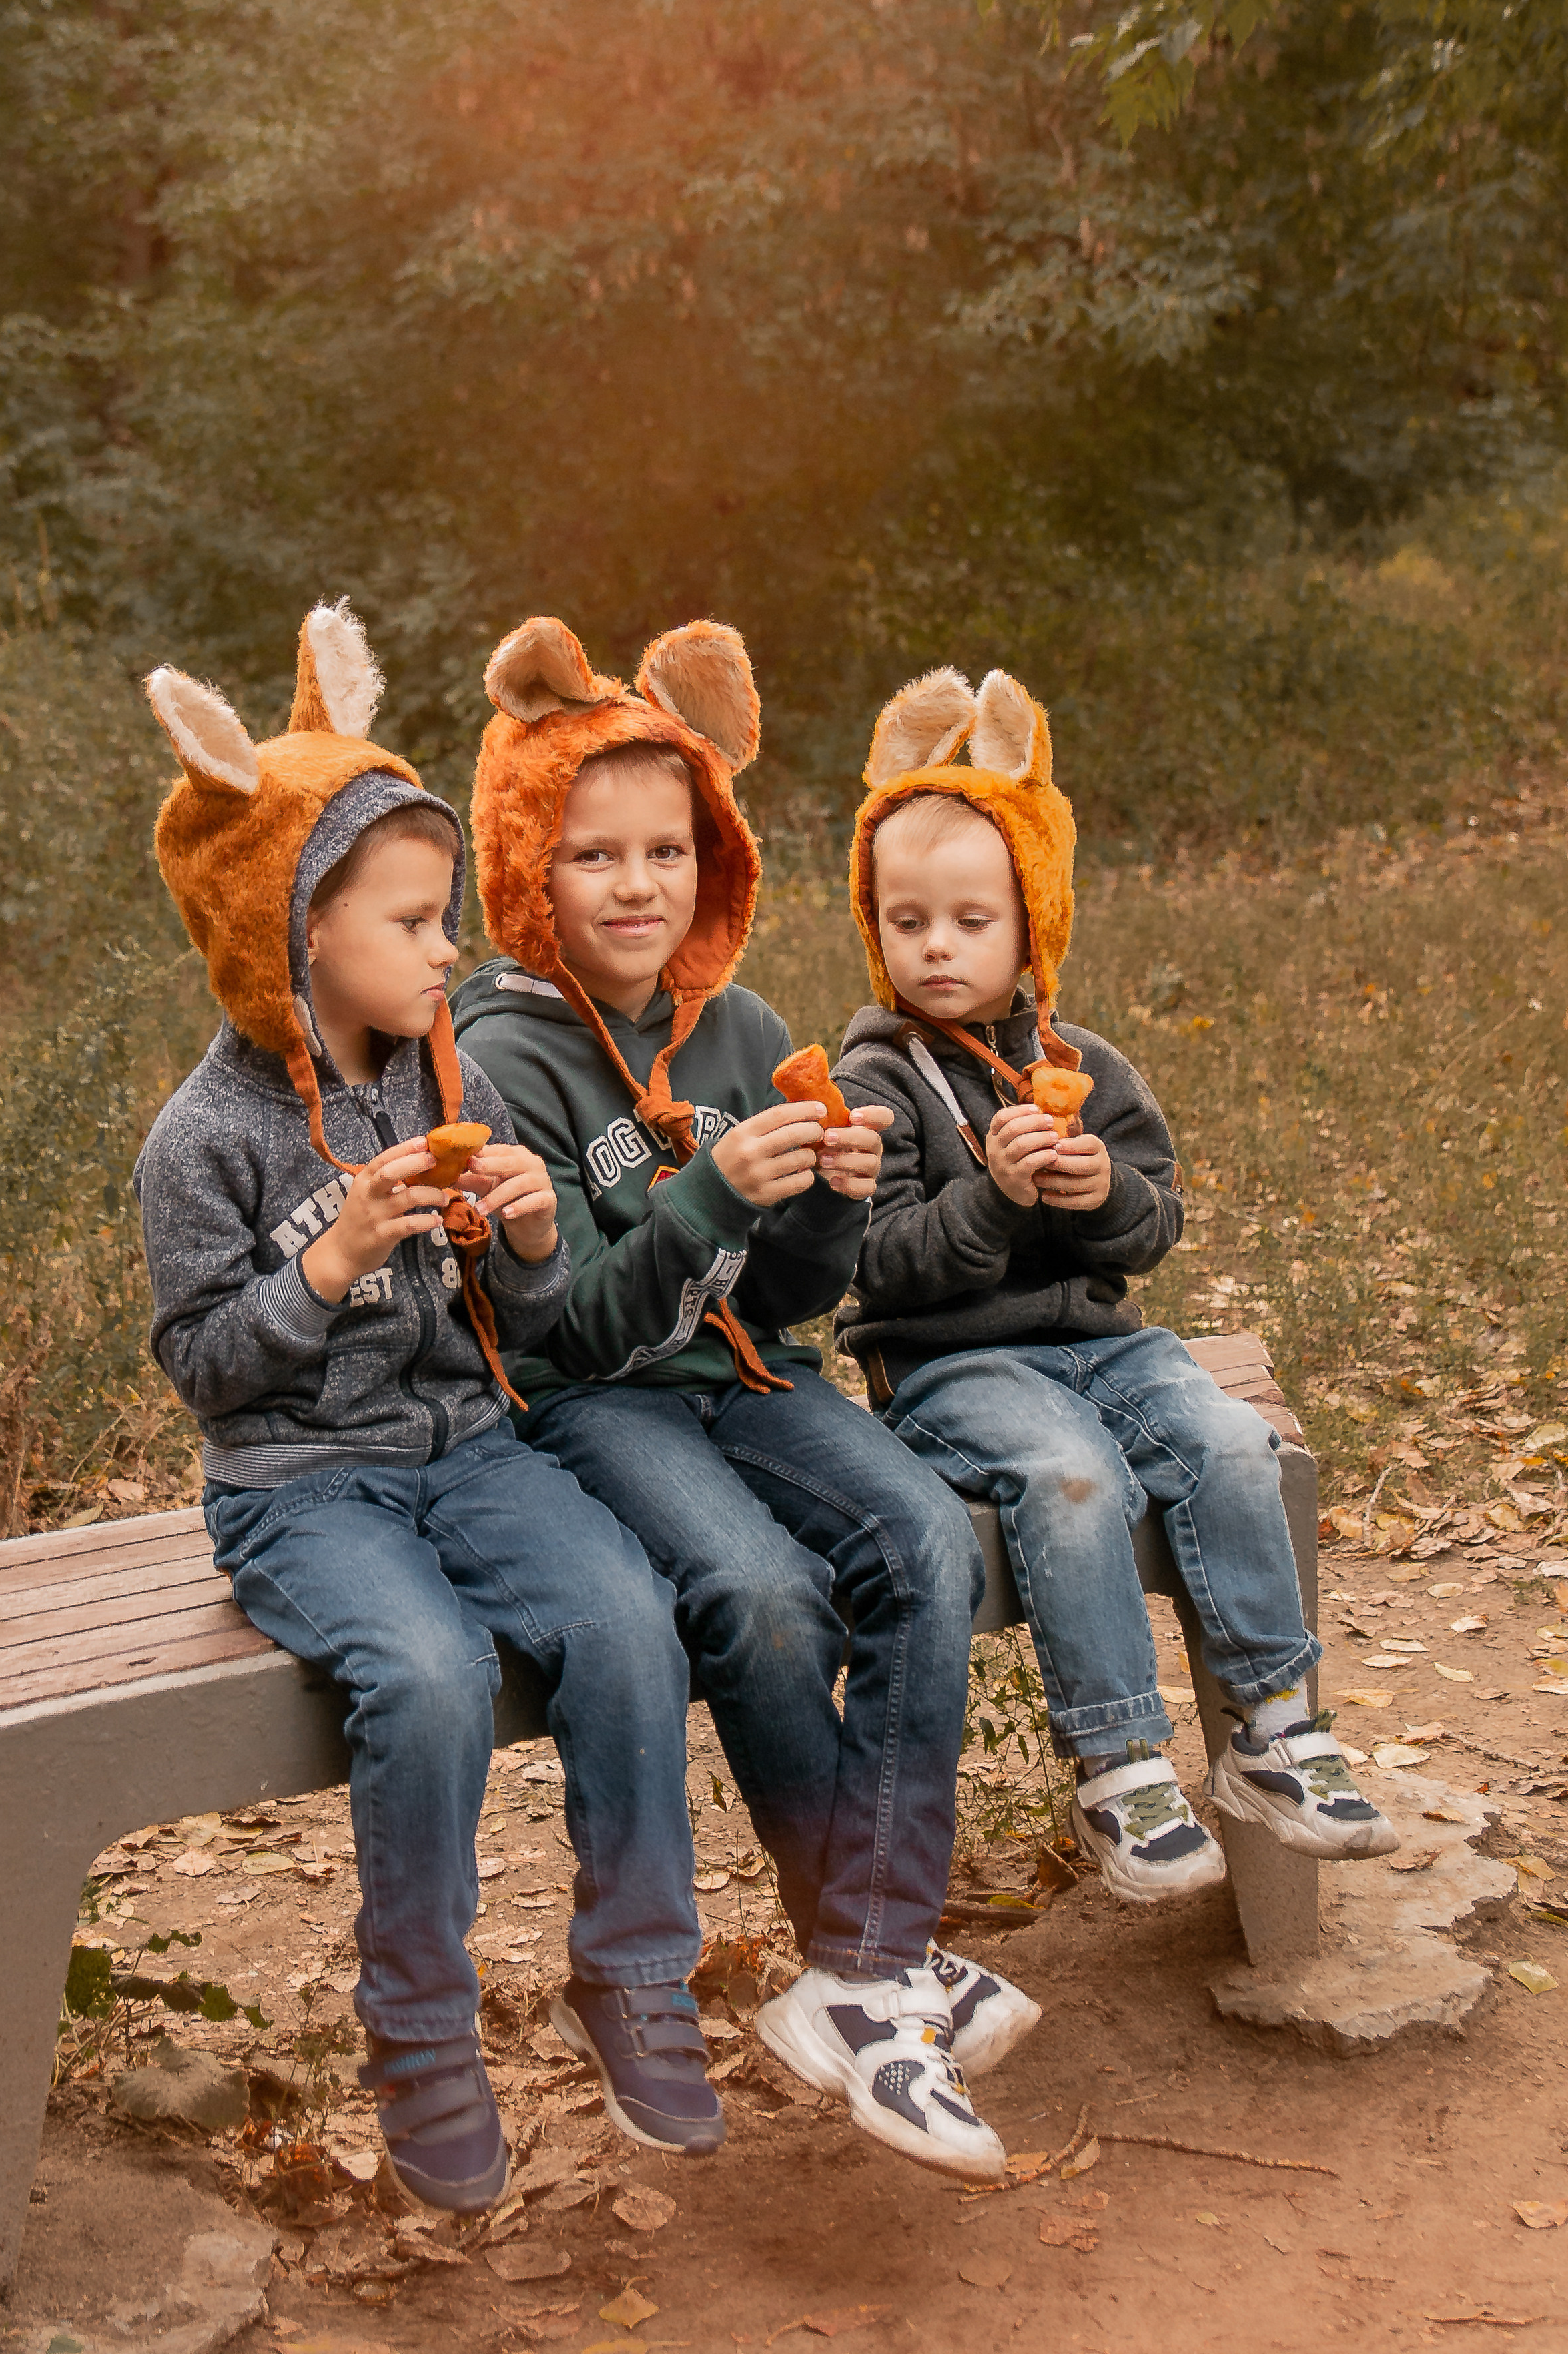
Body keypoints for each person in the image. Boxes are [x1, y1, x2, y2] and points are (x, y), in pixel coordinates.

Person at [134, 603, 722, 2211]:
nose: (448, 948)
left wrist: (528, 1234)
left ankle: (637, 1980)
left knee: (625, 1617)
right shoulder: (203, 1144)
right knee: (429, 1669)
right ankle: (419, 2035)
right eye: (414, 922)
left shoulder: (439, 1066)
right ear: (294, 934)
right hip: (300, 1489)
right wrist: (324, 1260)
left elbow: (514, 1322)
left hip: (467, 1447)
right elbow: (204, 1370)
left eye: (445, 915)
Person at [452, 615, 1038, 2186]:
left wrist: (830, 1201)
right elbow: (563, 1328)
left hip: (751, 1376)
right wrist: (709, 1192)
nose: (639, 887)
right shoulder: (498, 1056)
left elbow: (788, 1304)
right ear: (528, 869)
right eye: (594, 857)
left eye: (668, 849)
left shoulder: (752, 1031)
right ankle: (885, 1976)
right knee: (765, 1597)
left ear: (712, 854)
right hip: (598, 1413)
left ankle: (861, 1966)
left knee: (919, 1531)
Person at [829, 663, 1399, 1904]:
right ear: (874, 926)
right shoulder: (874, 1076)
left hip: (1104, 1346)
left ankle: (1273, 1726)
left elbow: (1156, 1224)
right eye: (907, 920)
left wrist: (1099, 1199)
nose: (937, 947)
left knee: (1232, 1443)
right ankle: (1118, 1761)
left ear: (1033, 924)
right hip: (953, 1367)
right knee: (1072, 1477)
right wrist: (992, 1198)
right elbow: (876, 1264)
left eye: (971, 922)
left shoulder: (1083, 1060)